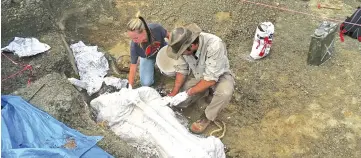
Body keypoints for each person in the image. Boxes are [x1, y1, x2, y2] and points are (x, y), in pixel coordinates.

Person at [166, 23, 235, 134]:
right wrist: (175, 92)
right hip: (200, 74)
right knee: (183, 95)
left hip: (219, 74)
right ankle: (200, 93)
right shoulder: (183, 47)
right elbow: (182, 70)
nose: (181, 55)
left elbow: (211, 79)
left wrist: (188, 93)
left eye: (182, 52)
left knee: (224, 93)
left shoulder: (214, 45)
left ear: (192, 46)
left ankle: (207, 117)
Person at [126, 12, 169, 87]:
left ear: (144, 31)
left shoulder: (156, 28)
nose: (134, 41)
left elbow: (169, 35)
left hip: (163, 51)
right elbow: (133, 67)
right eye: (132, 38)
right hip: (148, 58)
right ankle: (151, 65)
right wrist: (130, 86)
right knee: (146, 83)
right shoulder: (134, 46)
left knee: (173, 68)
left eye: (136, 38)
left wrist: (173, 47)